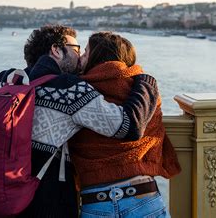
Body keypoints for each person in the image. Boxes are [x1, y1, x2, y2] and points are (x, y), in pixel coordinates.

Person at [0, 25, 160, 217]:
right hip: (47, 201)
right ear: (57, 50)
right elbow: (128, 127)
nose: (80, 57)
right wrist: (145, 82)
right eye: (76, 49)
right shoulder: (70, 89)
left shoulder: (7, 78)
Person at [69, 32, 181, 218]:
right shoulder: (145, 90)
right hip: (143, 196)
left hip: (95, 200)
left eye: (86, 52)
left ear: (98, 56)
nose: (81, 58)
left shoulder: (77, 93)